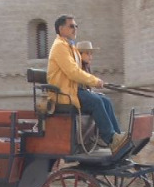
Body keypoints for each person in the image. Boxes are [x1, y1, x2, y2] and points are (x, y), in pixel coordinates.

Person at [47, 15, 126, 154]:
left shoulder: (68, 46)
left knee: (105, 100)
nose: (75, 29)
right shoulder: (59, 47)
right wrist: (95, 81)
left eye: (76, 26)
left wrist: (93, 83)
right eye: (71, 26)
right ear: (61, 29)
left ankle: (117, 138)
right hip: (64, 94)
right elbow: (73, 72)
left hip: (73, 90)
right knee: (96, 102)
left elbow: (77, 72)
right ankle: (111, 139)